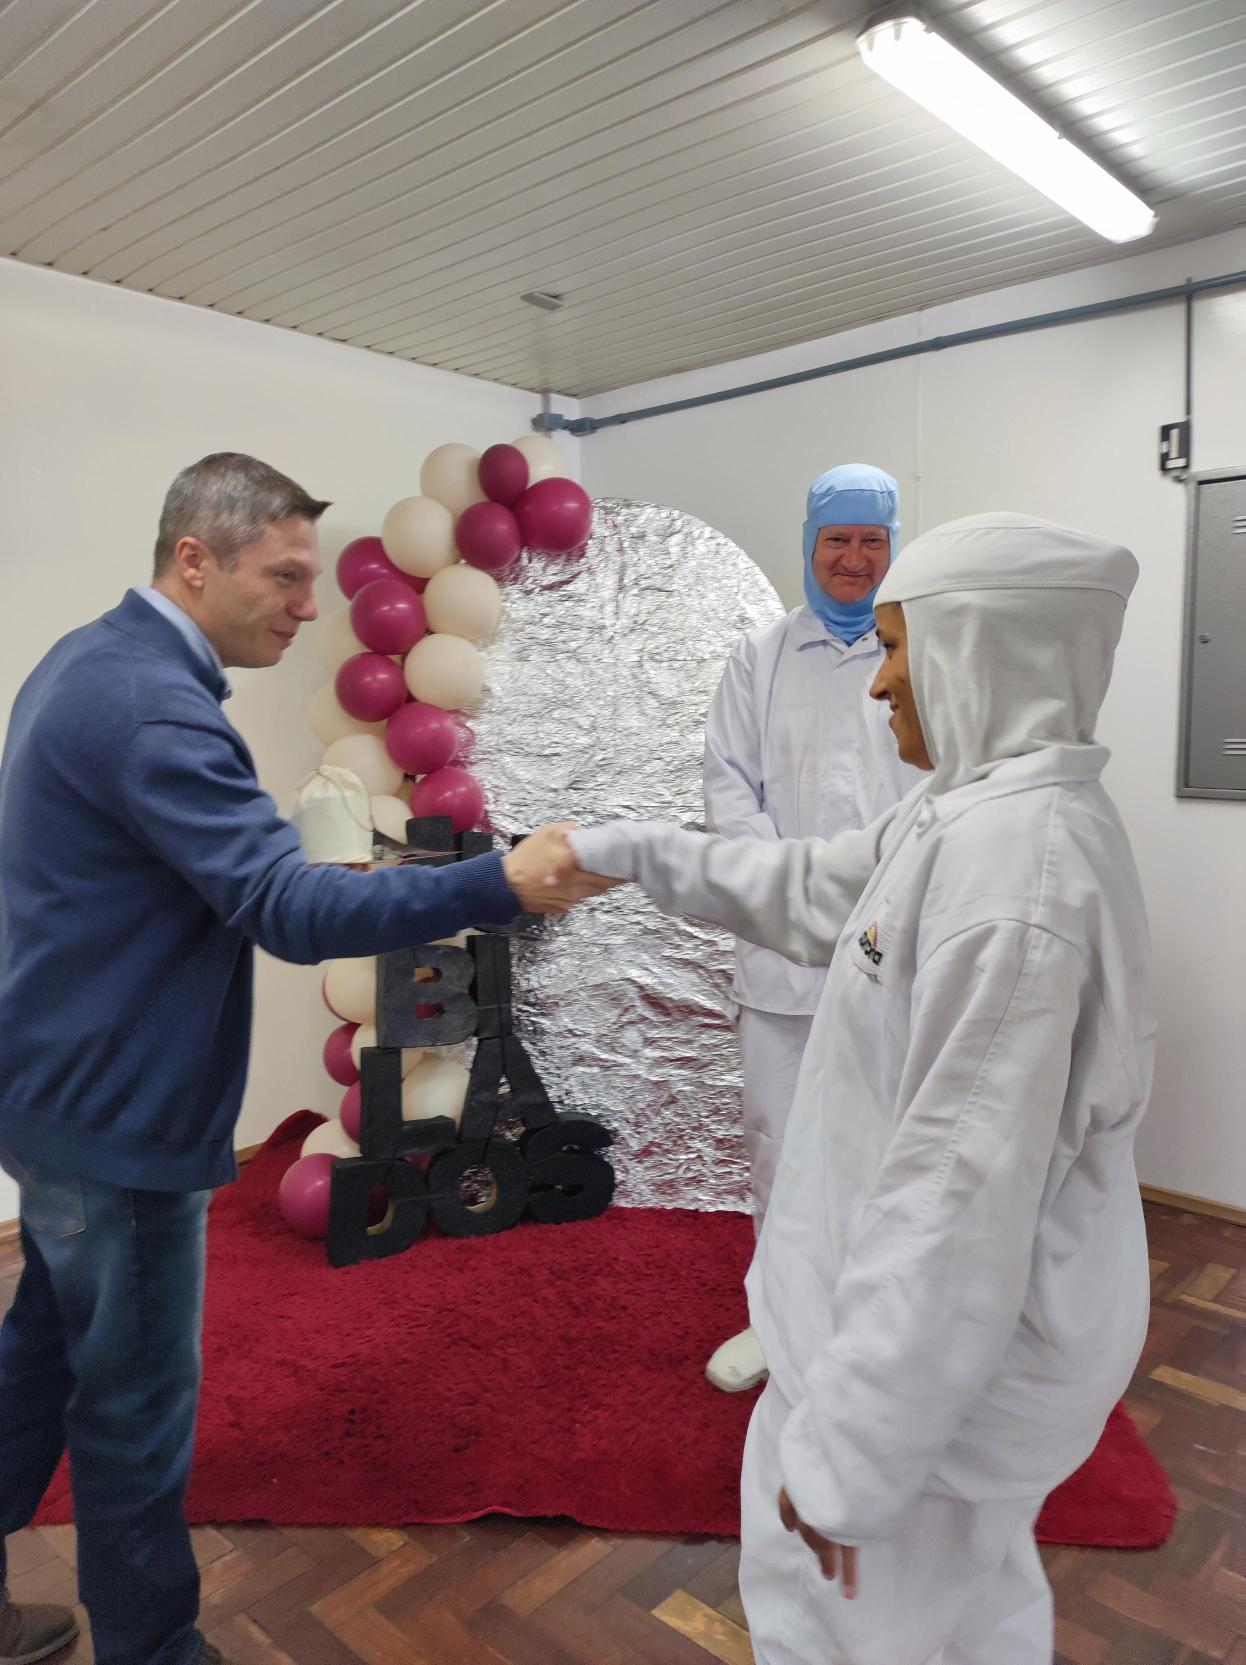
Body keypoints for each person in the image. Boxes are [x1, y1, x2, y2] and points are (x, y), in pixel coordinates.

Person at [0, 454, 599, 1665]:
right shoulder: (152, 706)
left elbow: (188, 875)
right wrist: (497, 881)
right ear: (193, 560)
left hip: (55, 1092)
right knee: (131, 1412)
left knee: (40, 1360)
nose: (308, 605)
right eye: (282, 576)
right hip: (117, 1116)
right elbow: (282, 908)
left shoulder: (87, 660)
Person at [561, 512, 1155, 1664]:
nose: (877, 684)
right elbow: (807, 889)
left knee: (848, 1635)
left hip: (924, 1403)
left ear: (980, 653)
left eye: (894, 649)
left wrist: (848, 1463)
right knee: (967, 1623)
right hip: (889, 1363)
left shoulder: (1017, 887)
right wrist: (618, 848)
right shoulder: (962, 813)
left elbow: (952, 1209)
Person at [703, 462, 922, 1392]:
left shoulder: (919, 655)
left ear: (895, 547)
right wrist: (798, 894)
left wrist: (879, 901)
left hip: (893, 944)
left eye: (873, 540)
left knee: (889, 1144)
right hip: (783, 951)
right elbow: (728, 792)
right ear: (809, 543)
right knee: (781, 1143)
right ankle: (779, 1320)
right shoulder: (759, 658)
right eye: (838, 538)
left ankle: (874, 1326)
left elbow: (939, 792)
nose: (854, 558)